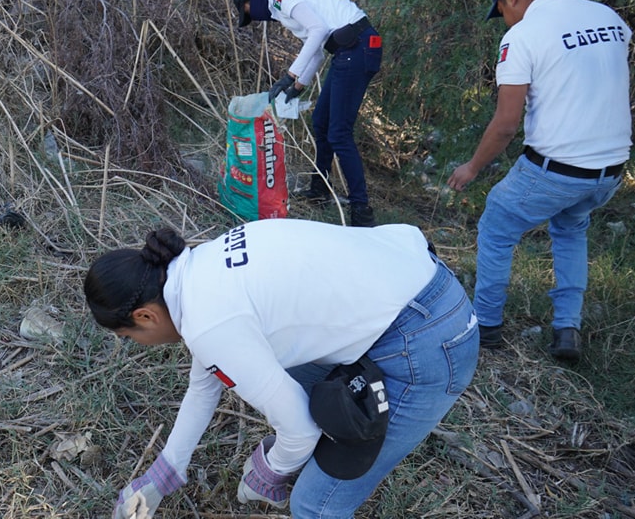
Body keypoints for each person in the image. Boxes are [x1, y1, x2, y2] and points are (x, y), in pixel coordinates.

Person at [84, 219, 479, 518]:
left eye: (128, 335)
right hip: (417, 284)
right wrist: (166, 471)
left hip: (427, 342)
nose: (136, 344)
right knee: (281, 385)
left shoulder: (209, 324)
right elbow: (205, 385)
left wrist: (268, 472)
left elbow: (300, 430)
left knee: (313, 506)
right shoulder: (198, 271)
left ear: (145, 316)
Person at [448, 0, 632, 362]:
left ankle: (487, 327)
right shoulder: (609, 18)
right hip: (611, 171)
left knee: (497, 223)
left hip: (558, 170)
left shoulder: (524, 35)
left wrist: (472, 167)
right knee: (570, 228)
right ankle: (567, 329)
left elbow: (506, 124)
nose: (505, 23)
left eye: (502, 13)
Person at [232, 0, 383, 227]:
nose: (252, 17)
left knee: (339, 133)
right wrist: (298, 86)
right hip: (348, 51)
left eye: (247, 11)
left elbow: (318, 29)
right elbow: (318, 48)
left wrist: (290, 75)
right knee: (322, 123)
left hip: (358, 49)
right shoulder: (280, 0)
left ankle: (361, 211)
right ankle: (320, 190)